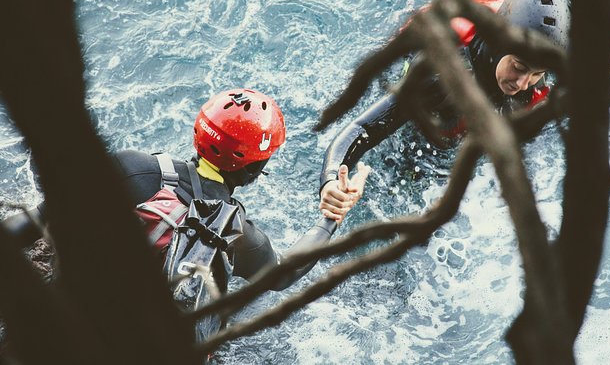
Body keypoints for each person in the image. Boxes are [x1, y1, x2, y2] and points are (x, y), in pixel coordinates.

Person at [4, 88, 364, 294]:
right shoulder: (236, 233)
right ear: (255, 168)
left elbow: (37, 220)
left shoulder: (133, 167)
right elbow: (284, 273)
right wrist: (330, 219)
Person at [318, 0, 571, 221]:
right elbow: (363, 128)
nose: (523, 84)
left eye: (537, 73)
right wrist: (331, 180)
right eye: (518, 67)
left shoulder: (541, 74)